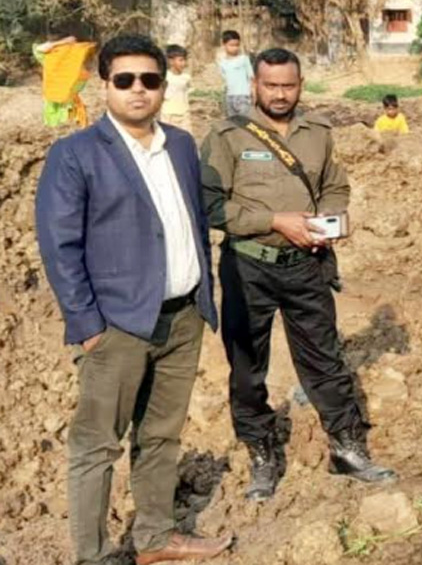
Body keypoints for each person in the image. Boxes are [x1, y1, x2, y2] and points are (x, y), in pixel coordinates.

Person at [34, 34, 232, 565]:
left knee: (162, 436)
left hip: (183, 317)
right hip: (117, 325)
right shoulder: (75, 154)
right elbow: (59, 244)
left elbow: (192, 220)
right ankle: (93, 555)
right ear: (106, 86)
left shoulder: (183, 146)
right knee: (98, 445)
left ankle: (155, 536)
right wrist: (88, 323)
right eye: (125, 80)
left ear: (164, 86)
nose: (138, 90)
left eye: (150, 79)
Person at [200, 48, 395, 502]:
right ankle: (263, 456)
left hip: (306, 266)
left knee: (324, 360)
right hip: (249, 267)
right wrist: (275, 221)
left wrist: (329, 220)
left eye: (289, 86)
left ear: (301, 85)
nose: (280, 94)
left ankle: (347, 449)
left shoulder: (318, 132)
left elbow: (334, 184)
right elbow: (211, 206)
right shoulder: (227, 136)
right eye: (271, 86)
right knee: (248, 371)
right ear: (254, 86)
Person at [34, 35, 95, 128]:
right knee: (56, 119)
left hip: (67, 98)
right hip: (55, 96)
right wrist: (64, 42)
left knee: (68, 121)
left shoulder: (73, 58)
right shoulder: (51, 56)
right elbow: (39, 49)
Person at [217, 30, 253, 118]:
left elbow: (251, 76)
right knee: (232, 122)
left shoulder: (244, 59)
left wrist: (253, 92)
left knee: (245, 122)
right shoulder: (222, 62)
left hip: (243, 96)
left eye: (237, 45)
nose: (235, 48)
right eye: (231, 45)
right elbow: (224, 78)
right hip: (230, 96)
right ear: (224, 45)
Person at [162, 44, 193, 134]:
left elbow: (187, 92)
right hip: (168, 114)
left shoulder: (186, 78)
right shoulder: (165, 77)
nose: (184, 63)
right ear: (171, 61)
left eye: (184, 60)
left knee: (186, 137)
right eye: (181, 60)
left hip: (184, 114)